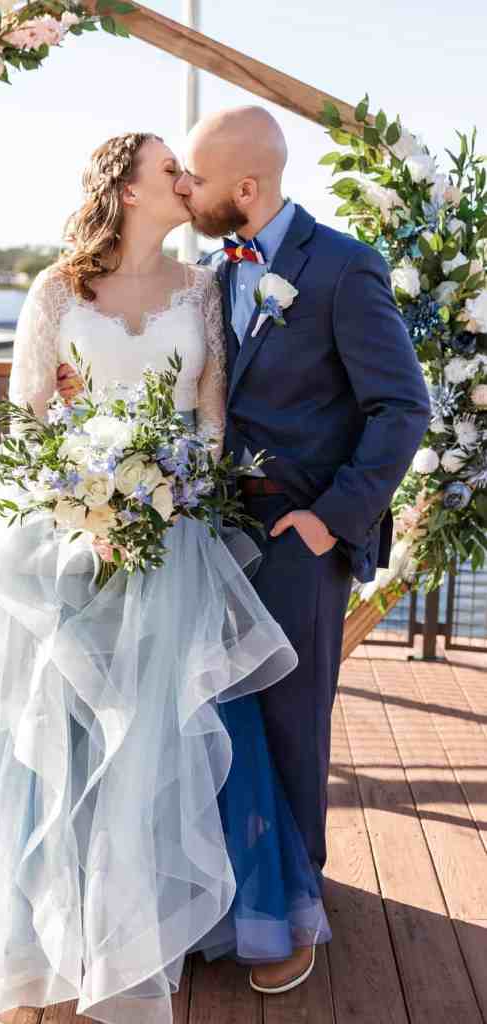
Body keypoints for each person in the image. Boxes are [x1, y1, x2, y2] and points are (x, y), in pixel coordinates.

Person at [0, 131, 332, 1024]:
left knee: (189, 722)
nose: (184, 179)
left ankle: (201, 912)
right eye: (169, 168)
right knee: (58, 731)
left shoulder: (202, 290)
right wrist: (82, 504)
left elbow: (208, 422)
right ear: (127, 190)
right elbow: (29, 422)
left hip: (174, 541)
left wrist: (164, 499)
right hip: (65, 540)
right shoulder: (56, 289)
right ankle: (52, 925)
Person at [172, 105, 430, 993]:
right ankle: (225, 902)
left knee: (288, 726)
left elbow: (401, 407)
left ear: (245, 187)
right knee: (213, 723)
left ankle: (296, 912)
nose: (186, 192)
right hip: (206, 537)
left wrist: (329, 519)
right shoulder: (210, 272)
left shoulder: (343, 268)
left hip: (294, 539)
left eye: (198, 180)